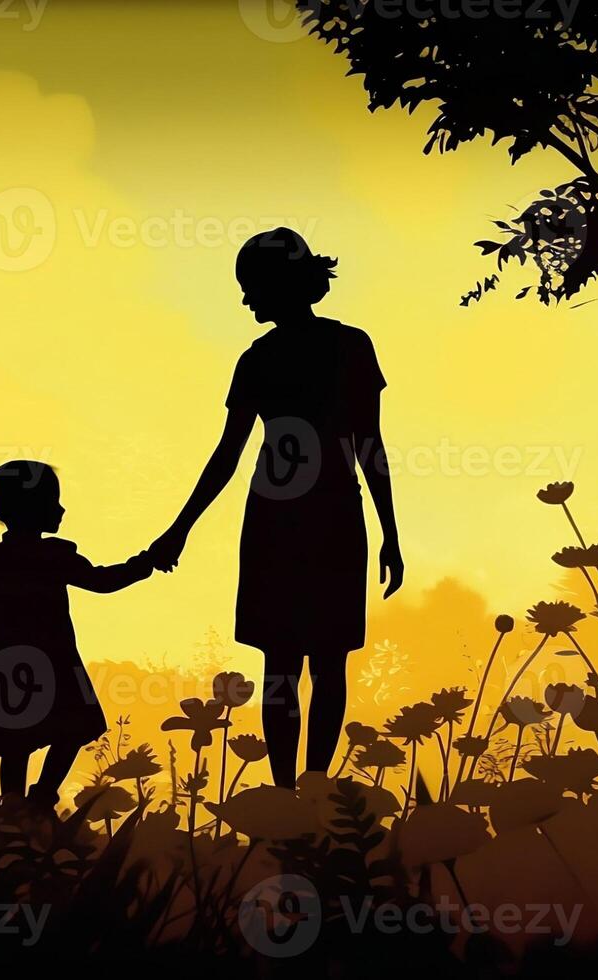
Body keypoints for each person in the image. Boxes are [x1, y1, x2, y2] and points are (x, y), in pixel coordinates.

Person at [149, 227, 403, 787]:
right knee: (314, 662)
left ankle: (297, 788)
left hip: (298, 522)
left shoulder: (269, 358)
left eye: (251, 287)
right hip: (317, 519)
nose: (246, 300)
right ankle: (301, 788)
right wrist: (179, 530)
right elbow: (368, 447)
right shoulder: (340, 347)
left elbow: (366, 445)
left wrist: (390, 531)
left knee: (289, 663)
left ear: (280, 285)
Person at [0, 459, 154, 806]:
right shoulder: (50, 557)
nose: (61, 509)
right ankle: (37, 798)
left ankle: (22, 801)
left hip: (12, 665)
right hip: (52, 663)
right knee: (68, 730)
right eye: (53, 502)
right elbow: (102, 581)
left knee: (18, 742)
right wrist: (142, 564)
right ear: (32, 508)